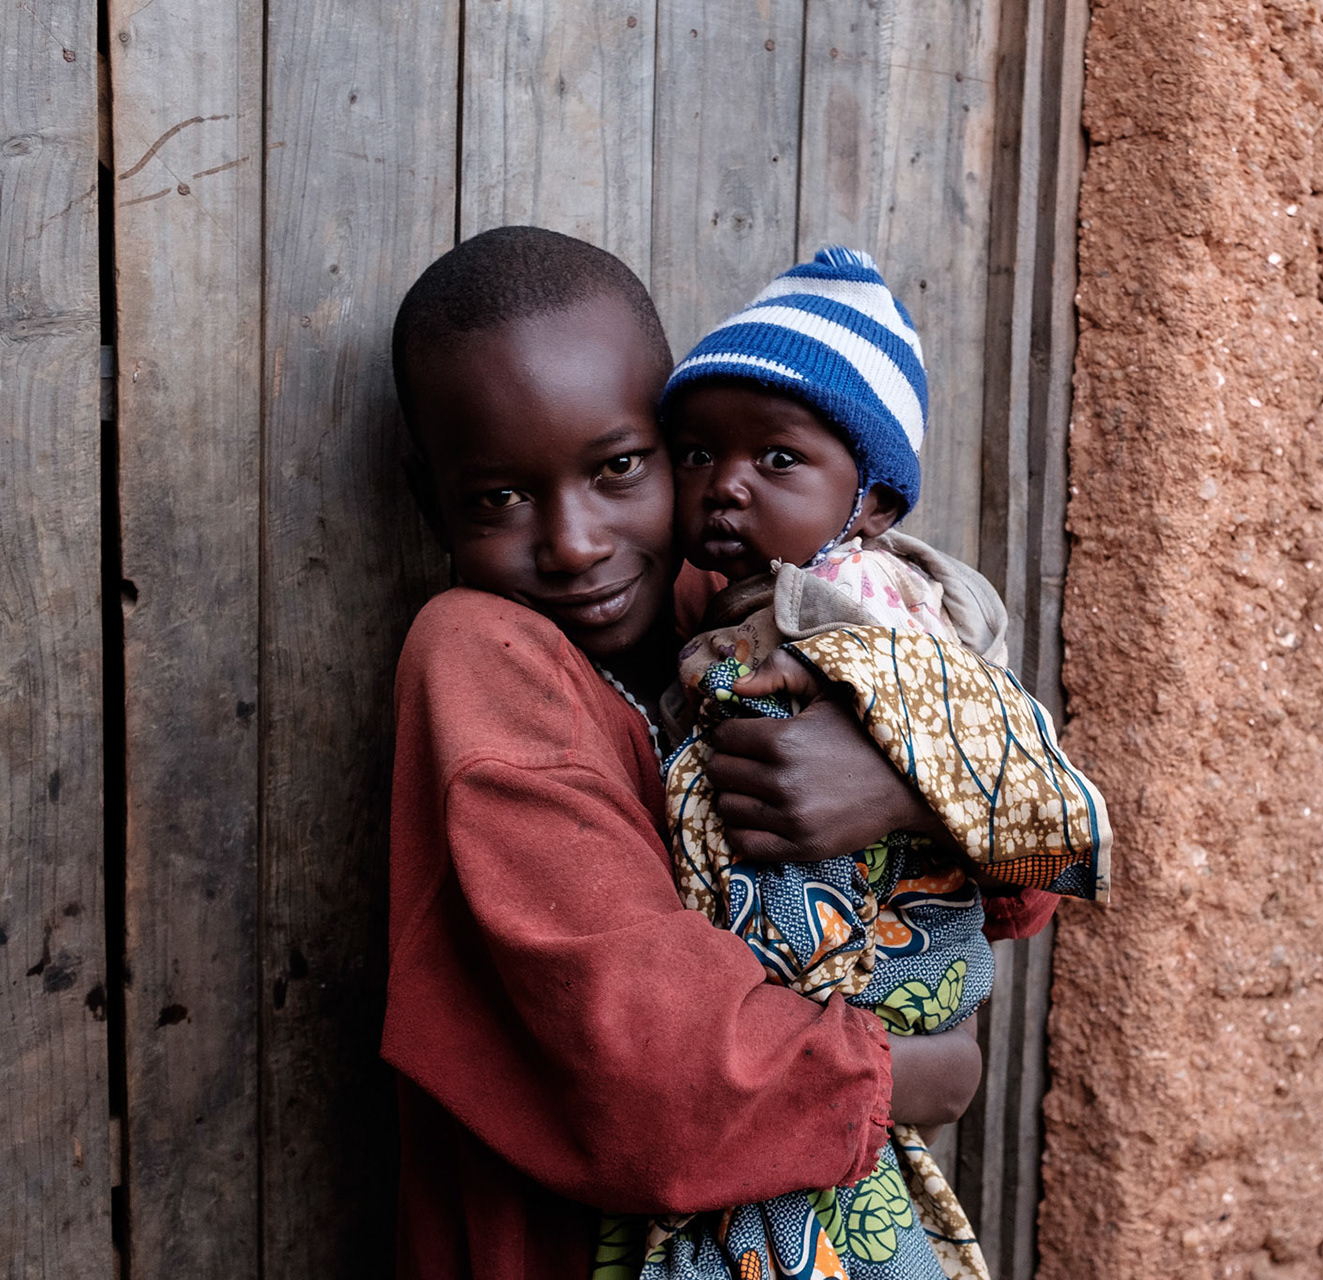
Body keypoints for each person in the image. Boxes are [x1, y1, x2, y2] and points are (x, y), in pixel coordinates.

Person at [380, 227, 1067, 1280]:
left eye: (620, 467)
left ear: (677, 444)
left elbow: (1027, 887)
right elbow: (650, 1073)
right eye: (498, 498)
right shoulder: (479, 653)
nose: (574, 542)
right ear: (433, 505)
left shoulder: (759, 611)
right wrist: (905, 1076)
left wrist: (903, 791)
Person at [596, 248, 1108, 1280]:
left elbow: (1044, 817)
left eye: (777, 458)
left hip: (862, 987)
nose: (725, 485)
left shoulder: (865, 601)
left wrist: (883, 765)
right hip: (820, 1052)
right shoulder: (739, 601)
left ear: (871, 502)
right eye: (696, 453)